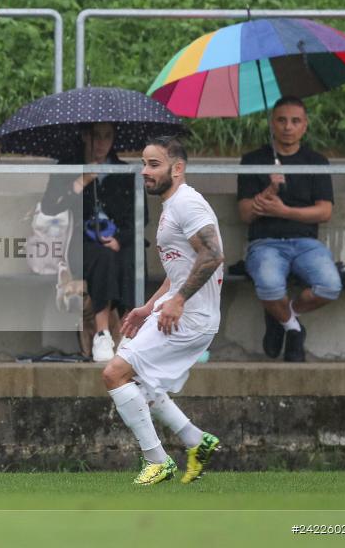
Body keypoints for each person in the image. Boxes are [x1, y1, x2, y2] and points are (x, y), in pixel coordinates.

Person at [103, 136, 224, 486]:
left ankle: (157, 461)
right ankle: (195, 440)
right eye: (143, 163)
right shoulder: (172, 205)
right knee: (136, 378)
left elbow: (213, 255)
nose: (145, 171)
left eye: (154, 164)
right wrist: (148, 307)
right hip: (176, 311)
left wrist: (179, 301)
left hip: (191, 318)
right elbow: (179, 271)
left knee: (115, 374)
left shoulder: (187, 204)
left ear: (178, 168)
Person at [237, 97, 340, 363]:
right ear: (273, 124)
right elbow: (246, 214)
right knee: (270, 286)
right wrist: (269, 190)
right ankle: (293, 328)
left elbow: (325, 211)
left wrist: (286, 211)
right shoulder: (253, 160)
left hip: (306, 243)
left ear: (304, 126)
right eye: (281, 120)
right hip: (266, 243)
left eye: (295, 121)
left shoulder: (316, 161)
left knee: (330, 286)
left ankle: (281, 316)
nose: (288, 127)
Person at [40, 123, 144, 362]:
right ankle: (102, 333)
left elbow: (140, 218)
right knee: (102, 256)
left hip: (117, 240)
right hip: (79, 242)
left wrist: (119, 239)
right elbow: (50, 207)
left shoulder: (122, 171)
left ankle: (130, 334)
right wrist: (82, 181)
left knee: (131, 257)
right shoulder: (67, 167)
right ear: (85, 136)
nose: (101, 143)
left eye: (107, 137)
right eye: (96, 136)